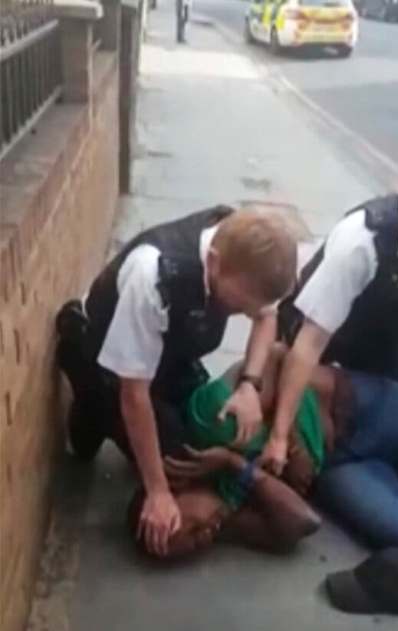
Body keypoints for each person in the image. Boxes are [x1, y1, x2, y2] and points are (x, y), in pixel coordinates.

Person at [55, 206, 297, 557]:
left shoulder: (243, 254)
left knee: (202, 445)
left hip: (171, 354)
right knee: (173, 470)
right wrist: (157, 492)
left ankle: (132, 427)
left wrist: (249, 385)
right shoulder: (153, 276)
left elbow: (266, 316)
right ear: (213, 263)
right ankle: (87, 393)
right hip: (108, 363)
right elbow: (133, 395)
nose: (246, 313)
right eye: (239, 305)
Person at [129, 348, 398, 571]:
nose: (205, 537)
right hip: (340, 467)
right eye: (197, 546)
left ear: (173, 494)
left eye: (193, 528)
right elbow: (302, 524)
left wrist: (289, 439)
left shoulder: (208, 422)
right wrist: (237, 466)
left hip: (362, 408)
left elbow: (277, 353)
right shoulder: (227, 518)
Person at [262, 137, 398, 475]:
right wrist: (279, 436)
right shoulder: (362, 242)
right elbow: (309, 343)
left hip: (380, 343)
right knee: (309, 444)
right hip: (320, 341)